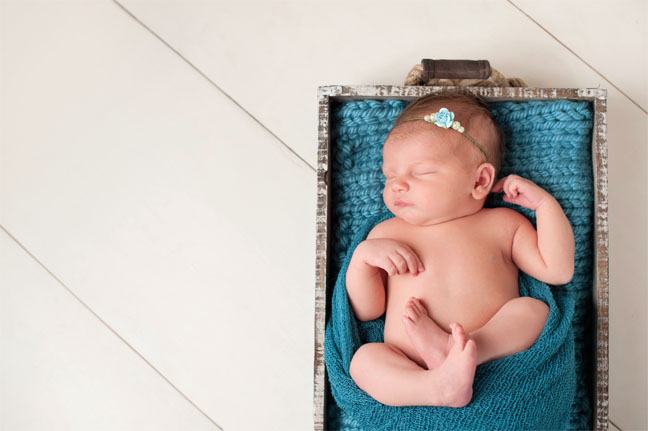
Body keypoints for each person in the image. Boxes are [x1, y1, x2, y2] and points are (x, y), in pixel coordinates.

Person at [346, 93, 575, 408]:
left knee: (534, 311)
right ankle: (433, 387)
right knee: (365, 361)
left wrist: (544, 205)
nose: (397, 185)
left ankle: (463, 349)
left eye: (421, 172)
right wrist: (362, 262)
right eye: (390, 176)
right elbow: (368, 310)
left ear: (480, 180)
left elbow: (557, 270)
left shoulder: (503, 224)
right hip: (408, 360)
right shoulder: (386, 234)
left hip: (488, 355)